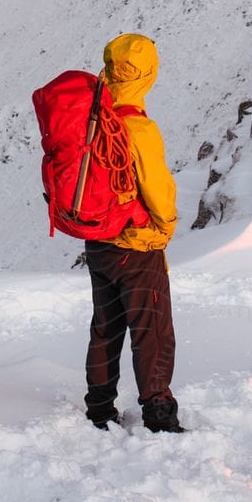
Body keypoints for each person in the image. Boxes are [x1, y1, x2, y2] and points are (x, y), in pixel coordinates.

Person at [84, 32, 185, 433]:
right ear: (147, 75)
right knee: (152, 330)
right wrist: (164, 229)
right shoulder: (137, 128)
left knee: (105, 326)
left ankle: (99, 407)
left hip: (98, 240)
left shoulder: (93, 118)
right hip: (136, 243)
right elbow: (158, 190)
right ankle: (159, 414)